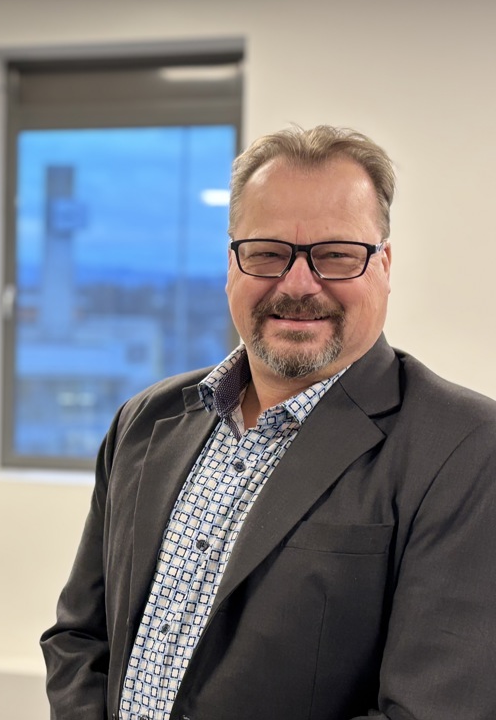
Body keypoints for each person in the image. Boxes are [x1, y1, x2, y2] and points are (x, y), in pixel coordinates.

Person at [41, 124, 496, 719]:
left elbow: (430, 709)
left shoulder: (464, 448)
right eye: (267, 253)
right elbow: (79, 638)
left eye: (336, 255)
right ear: (232, 263)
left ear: (384, 265)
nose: (298, 284)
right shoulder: (145, 421)